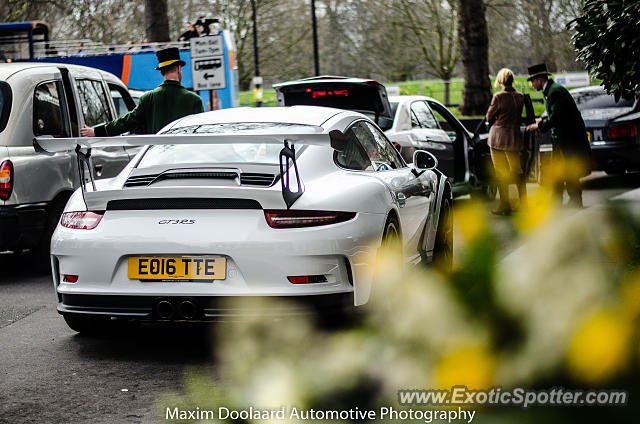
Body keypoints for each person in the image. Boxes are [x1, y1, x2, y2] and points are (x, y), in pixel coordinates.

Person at [80, 47, 203, 137]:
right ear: (178, 69)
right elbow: (201, 133)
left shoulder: (148, 98)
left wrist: (95, 131)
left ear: (161, 72)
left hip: (158, 157)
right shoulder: (194, 100)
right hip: (185, 158)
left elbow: (126, 122)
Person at [525, 63, 591, 208]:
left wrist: (539, 125)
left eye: (533, 81)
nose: (532, 84)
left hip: (568, 140)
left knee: (568, 171)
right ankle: (557, 201)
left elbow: (557, 117)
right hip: (562, 139)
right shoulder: (551, 91)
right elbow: (555, 114)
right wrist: (541, 120)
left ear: (539, 80)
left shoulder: (554, 92)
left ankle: (575, 202)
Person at [486, 68, 526, 215]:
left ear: (501, 80)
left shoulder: (498, 97)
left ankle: (505, 206)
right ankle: (524, 203)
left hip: (498, 138)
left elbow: (489, 117)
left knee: (501, 172)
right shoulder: (520, 96)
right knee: (517, 171)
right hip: (514, 137)